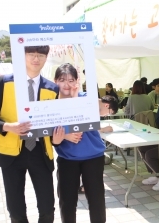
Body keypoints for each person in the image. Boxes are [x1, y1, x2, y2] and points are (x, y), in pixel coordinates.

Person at [0, 46, 62, 222]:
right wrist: (7, 127)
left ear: (46, 57)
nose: (36, 59)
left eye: (40, 55)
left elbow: (54, 124)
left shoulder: (53, 88)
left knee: (47, 208)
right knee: (16, 210)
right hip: (11, 154)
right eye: (32, 54)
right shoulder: (5, 83)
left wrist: (56, 141)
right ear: (23, 56)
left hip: (41, 154)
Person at [53, 63, 118, 223]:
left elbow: (88, 118)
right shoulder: (51, 103)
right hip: (67, 158)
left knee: (96, 200)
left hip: (93, 157)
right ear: (55, 81)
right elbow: (48, 131)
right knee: (67, 202)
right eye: (62, 80)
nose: (67, 84)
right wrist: (63, 137)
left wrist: (75, 99)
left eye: (71, 80)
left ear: (77, 80)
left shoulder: (87, 99)